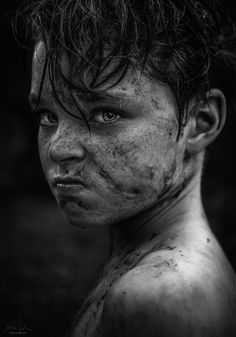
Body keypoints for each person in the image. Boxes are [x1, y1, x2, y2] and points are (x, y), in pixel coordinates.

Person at [26, 0, 236, 336]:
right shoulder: (144, 260)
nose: (59, 148)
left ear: (199, 122)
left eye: (106, 114)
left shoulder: (162, 295)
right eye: (49, 116)